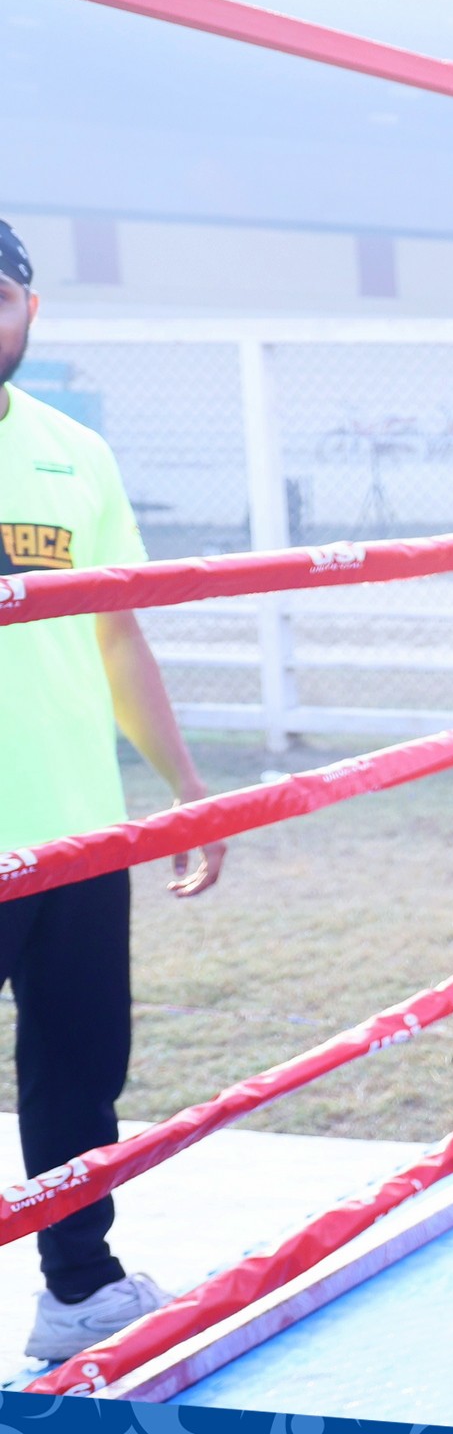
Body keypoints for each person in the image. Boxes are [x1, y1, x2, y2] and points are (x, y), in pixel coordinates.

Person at [0, 217, 226, 1363]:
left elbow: (118, 633)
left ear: (28, 309)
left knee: (81, 1071)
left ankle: (80, 1288)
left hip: (79, 828)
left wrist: (182, 786)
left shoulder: (73, 453)